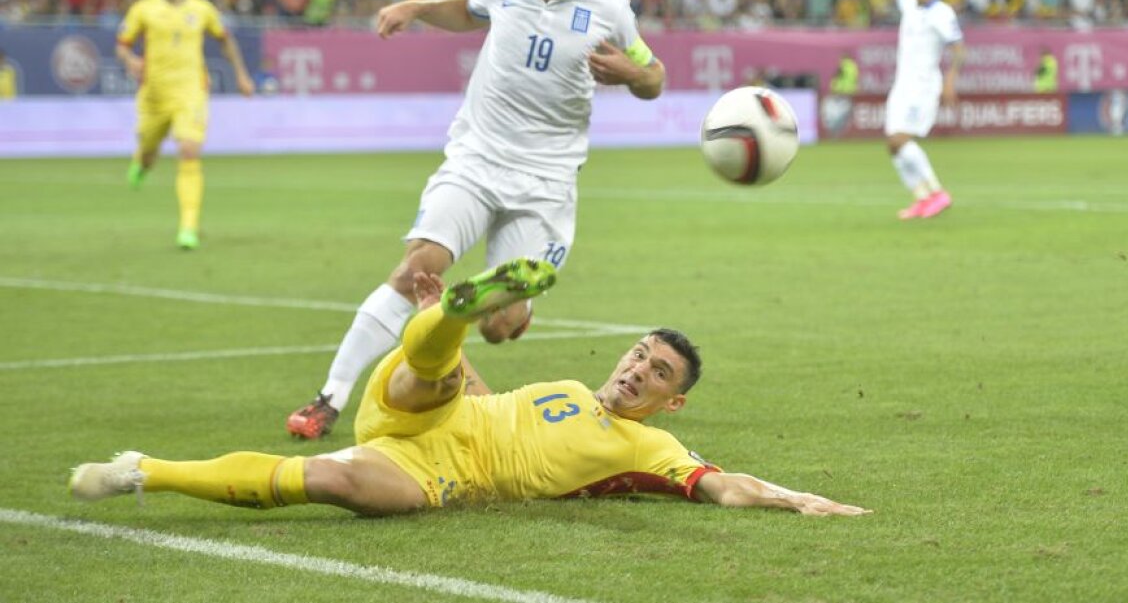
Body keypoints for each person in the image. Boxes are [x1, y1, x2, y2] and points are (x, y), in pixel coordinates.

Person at [286, 0, 666, 439]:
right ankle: (330, 398)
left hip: (546, 182)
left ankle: (517, 312)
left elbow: (654, 76)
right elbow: (470, 9)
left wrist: (633, 76)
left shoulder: (610, 6)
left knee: (497, 327)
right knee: (417, 269)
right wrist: (417, 9)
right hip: (477, 160)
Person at [70, 258, 870, 518]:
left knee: (332, 481)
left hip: (446, 472)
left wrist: (798, 499)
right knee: (440, 373)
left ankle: (139, 469)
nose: (636, 369)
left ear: (673, 400)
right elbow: (481, 398)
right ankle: (448, 317)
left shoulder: (651, 445)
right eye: (638, 354)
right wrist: (448, 346)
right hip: (431, 405)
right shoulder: (565, 385)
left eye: (657, 372)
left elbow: (723, 484)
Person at [115, 0, 255, 249]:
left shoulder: (202, 9)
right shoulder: (143, 9)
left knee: (189, 150)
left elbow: (225, 40)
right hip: (154, 94)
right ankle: (142, 162)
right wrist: (130, 60)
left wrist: (241, 75)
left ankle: (188, 227)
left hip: (191, 91)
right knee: (149, 150)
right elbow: (122, 45)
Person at [867, 0, 965, 220]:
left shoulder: (942, 13)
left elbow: (959, 49)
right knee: (892, 144)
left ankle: (938, 192)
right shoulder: (909, 4)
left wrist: (950, 81)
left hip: (923, 86)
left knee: (900, 139)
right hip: (902, 85)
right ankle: (921, 198)